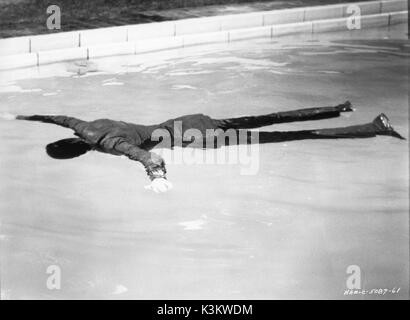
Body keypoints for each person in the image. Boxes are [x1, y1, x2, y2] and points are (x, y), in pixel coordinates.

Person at [3, 101, 404, 193]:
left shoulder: (108, 143)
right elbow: (56, 116)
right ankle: (339, 107)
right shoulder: (84, 126)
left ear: (77, 151)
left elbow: (146, 154)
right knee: (272, 118)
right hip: (190, 120)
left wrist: (157, 175)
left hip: (198, 136)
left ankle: (372, 127)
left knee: (286, 137)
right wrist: (23, 117)